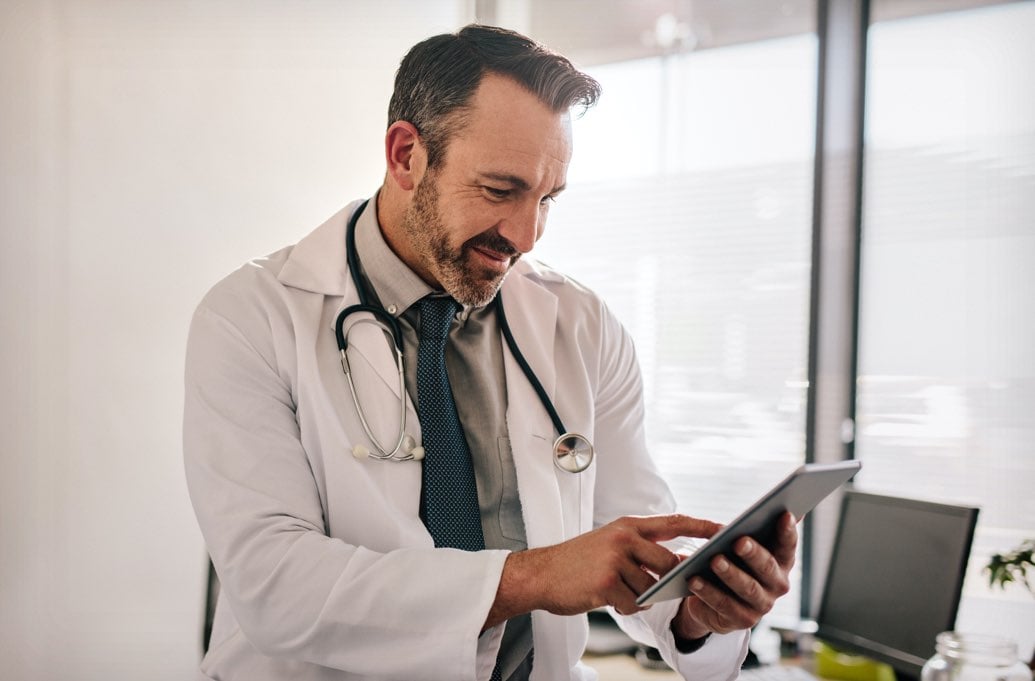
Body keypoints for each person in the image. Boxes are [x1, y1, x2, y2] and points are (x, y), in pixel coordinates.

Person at [184, 24, 797, 681]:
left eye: (547, 199)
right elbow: (276, 585)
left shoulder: (580, 325)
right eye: (501, 190)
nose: (526, 235)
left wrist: (695, 611)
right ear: (405, 155)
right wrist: (533, 575)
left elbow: (631, 535)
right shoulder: (251, 315)